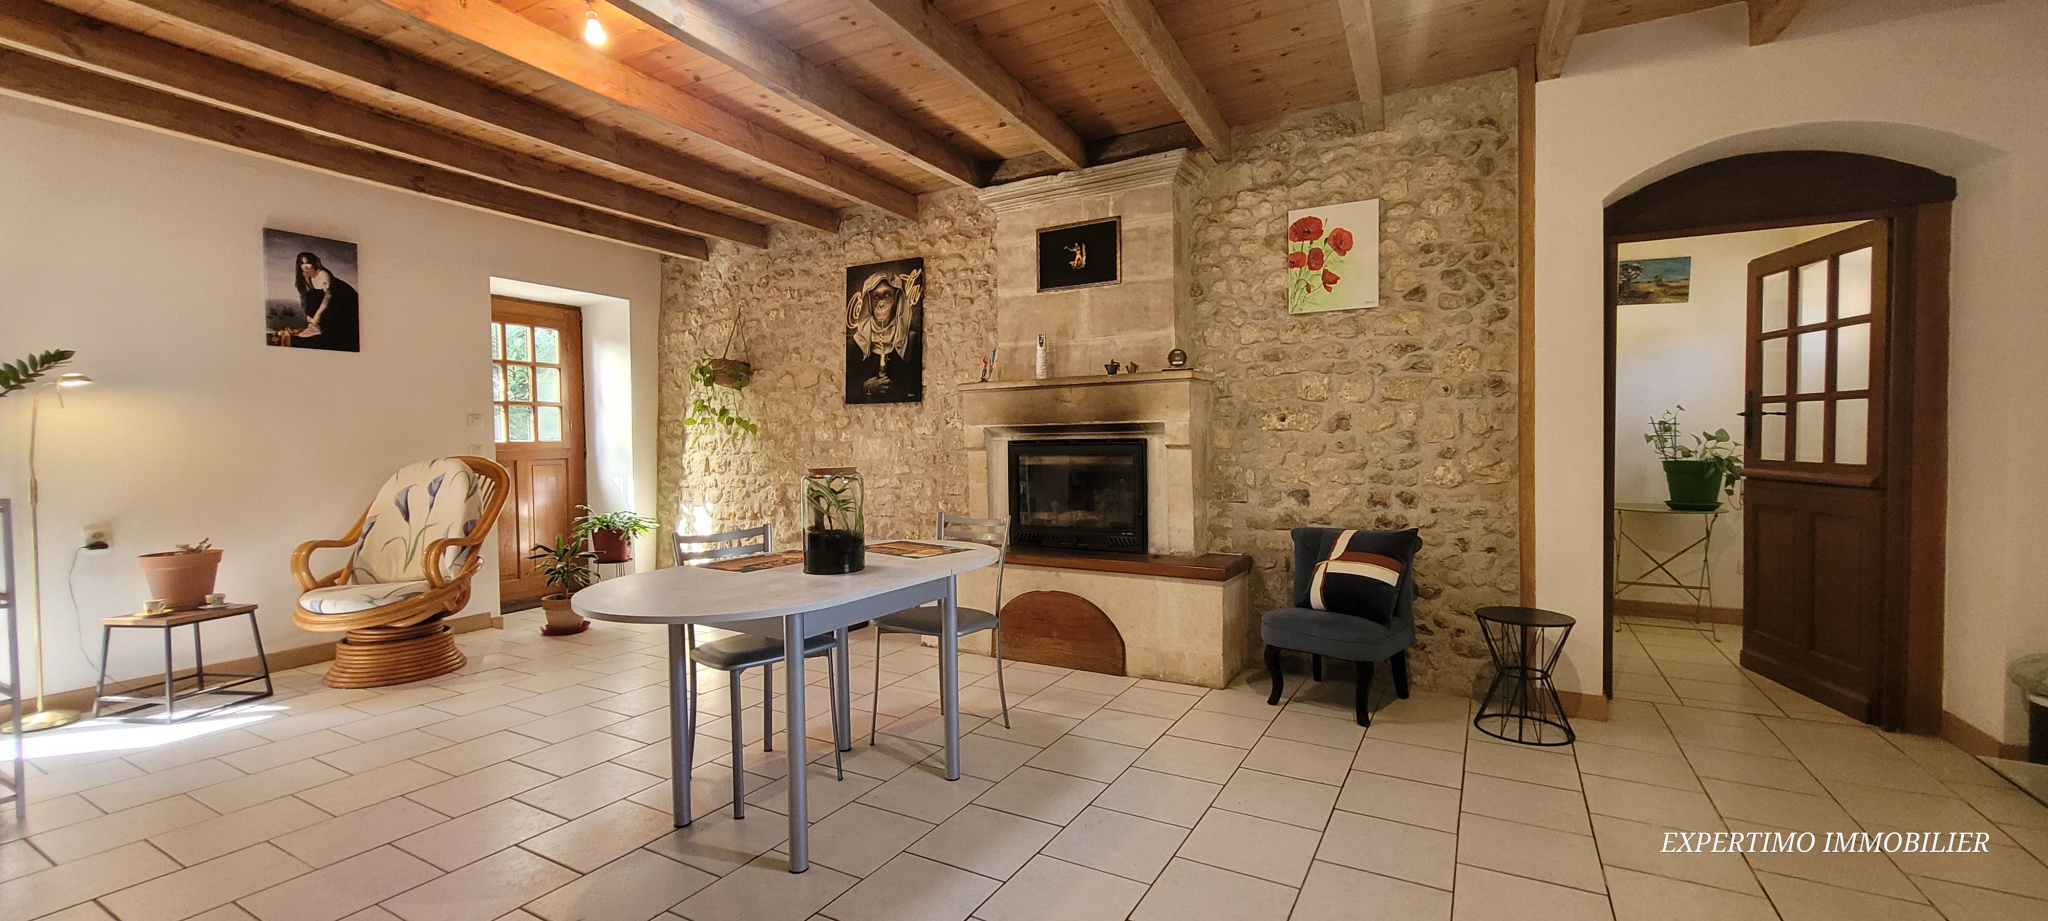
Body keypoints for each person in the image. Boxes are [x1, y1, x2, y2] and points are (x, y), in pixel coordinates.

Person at [845, 267, 922, 402]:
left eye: (887, 296)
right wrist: (866, 387)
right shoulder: (857, 342)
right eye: (876, 297)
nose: (881, 304)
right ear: (868, 302)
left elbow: (915, 386)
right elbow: (848, 388)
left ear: (897, 299)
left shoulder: (910, 339)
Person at [290, 251, 359, 352]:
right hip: (330, 301)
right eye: (302, 263)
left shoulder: (323, 274)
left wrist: (317, 316)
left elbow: (328, 297)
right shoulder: (307, 278)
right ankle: (315, 327)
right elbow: (307, 299)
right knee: (311, 296)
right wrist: (309, 315)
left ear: (313, 263)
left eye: (308, 263)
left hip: (344, 299)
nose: (305, 266)